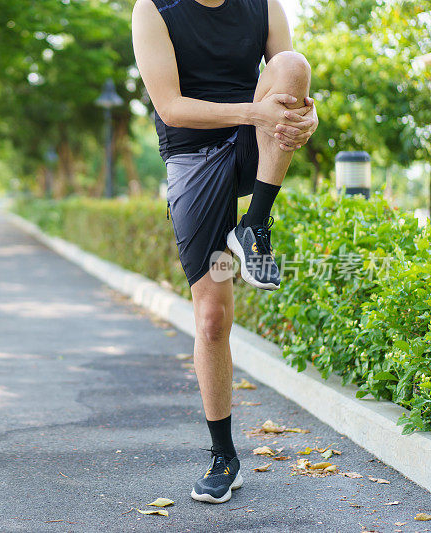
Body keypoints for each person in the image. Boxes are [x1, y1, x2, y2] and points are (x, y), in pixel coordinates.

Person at [131, 0, 319, 504]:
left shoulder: (263, 6)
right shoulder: (153, 10)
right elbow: (170, 106)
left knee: (292, 65)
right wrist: (256, 111)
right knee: (212, 318)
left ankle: (254, 225)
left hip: (251, 148)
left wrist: (309, 118)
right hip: (193, 159)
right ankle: (223, 456)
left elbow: (291, 92)